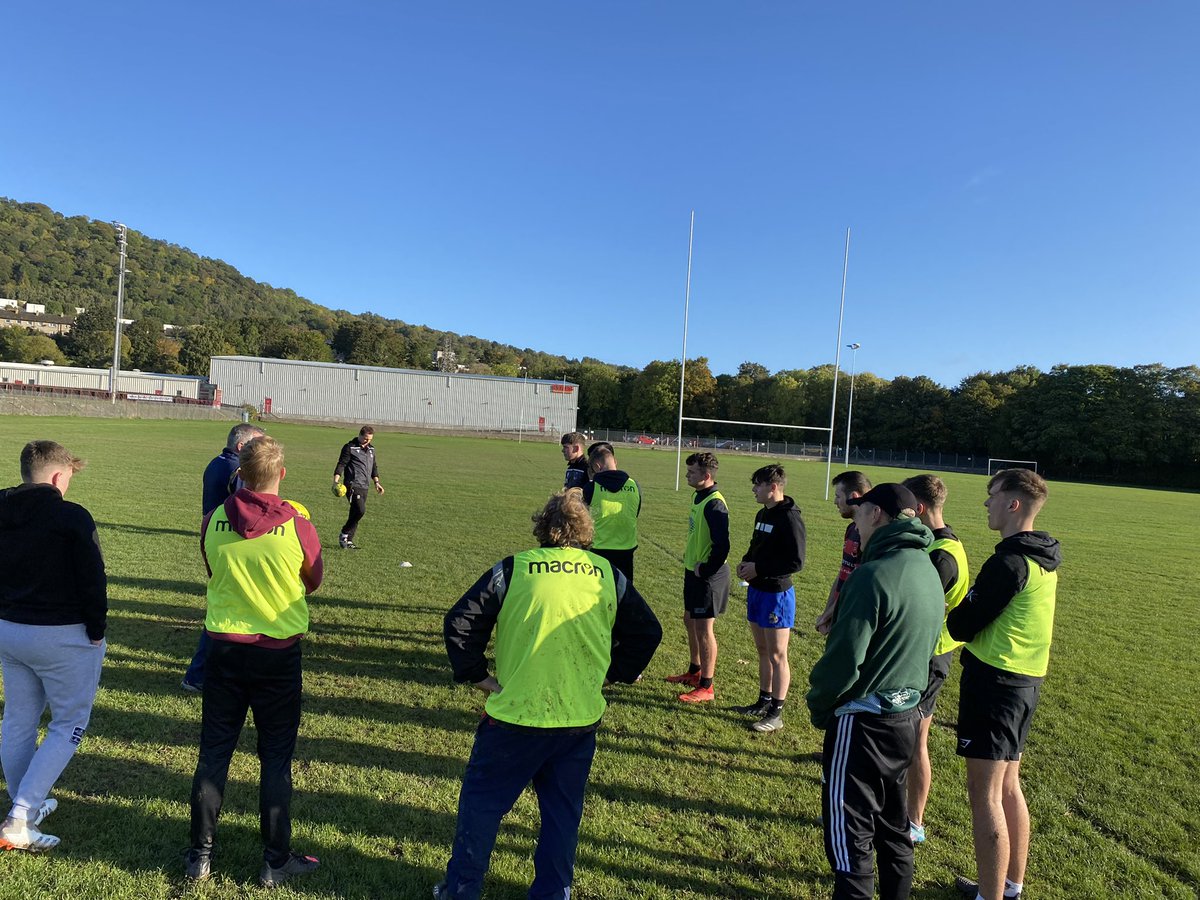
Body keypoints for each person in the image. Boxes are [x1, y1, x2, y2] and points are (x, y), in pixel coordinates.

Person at [436, 489, 662, 900]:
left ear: (543, 527)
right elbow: (649, 631)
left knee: (482, 809)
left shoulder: (515, 568)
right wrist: (613, 675)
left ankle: (461, 890)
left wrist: (479, 677)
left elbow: (459, 623)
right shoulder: (608, 574)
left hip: (514, 719)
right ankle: (553, 892)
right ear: (586, 532)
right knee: (561, 816)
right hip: (578, 721)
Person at [186, 435, 325, 888]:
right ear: (282, 475)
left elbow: (213, 568)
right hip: (276, 655)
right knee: (275, 760)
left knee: (214, 753)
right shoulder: (299, 524)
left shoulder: (213, 520)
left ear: (238, 473)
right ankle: (275, 860)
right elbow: (314, 578)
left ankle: (199, 857)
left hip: (224, 650)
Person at [806, 483, 944, 900]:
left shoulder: (872, 574)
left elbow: (845, 661)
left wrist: (820, 704)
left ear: (878, 515)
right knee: (893, 827)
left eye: (859, 510)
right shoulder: (927, 566)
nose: (854, 519)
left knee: (850, 840)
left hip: (862, 722)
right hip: (906, 717)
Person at [946, 469, 1060, 900]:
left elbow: (962, 623)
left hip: (996, 685)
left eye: (991, 495)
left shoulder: (1009, 563)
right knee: (1009, 787)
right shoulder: (1042, 556)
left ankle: (990, 897)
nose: (986, 503)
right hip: (1024, 682)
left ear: (1013, 504)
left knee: (986, 796)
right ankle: (1009, 886)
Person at [0, 441, 106, 852]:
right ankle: (19, 816)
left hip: (10, 629)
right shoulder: (71, 516)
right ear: (59, 477)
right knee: (68, 724)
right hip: (63, 634)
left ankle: (24, 805)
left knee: (19, 720)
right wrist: (96, 629)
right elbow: (92, 578)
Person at [901, 474, 970, 845]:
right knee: (904, 738)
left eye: (906, 504)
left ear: (921, 508)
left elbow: (916, 607)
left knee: (916, 742)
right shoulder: (936, 543)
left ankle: (914, 822)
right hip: (918, 654)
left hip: (929, 657)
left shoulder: (942, 556)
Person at [182, 422, 266, 693]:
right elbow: (245, 514)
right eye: (257, 445)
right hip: (229, 544)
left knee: (224, 608)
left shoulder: (217, 462)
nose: (260, 452)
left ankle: (209, 673)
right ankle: (197, 676)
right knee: (224, 612)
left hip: (215, 540)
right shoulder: (235, 470)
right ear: (241, 447)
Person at [732, 464, 806, 733]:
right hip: (756, 590)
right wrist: (746, 562)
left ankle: (776, 713)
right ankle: (762, 701)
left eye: (758, 485)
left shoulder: (790, 518)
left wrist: (759, 568)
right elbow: (757, 546)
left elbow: (796, 561)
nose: (754, 489)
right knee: (762, 651)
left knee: (777, 655)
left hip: (776, 594)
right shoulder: (763, 513)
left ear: (773, 487)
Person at [666, 452, 730, 704]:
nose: (686, 475)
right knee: (689, 619)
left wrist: (707, 569)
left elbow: (723, 545)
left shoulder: (715, 504)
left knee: (705, 629)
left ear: (706, 476)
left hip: (708, 577)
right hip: (693, 570)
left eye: (691, 472)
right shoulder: (698, 496)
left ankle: (707, 686)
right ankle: (694, 671)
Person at [815, 470, 872, 635]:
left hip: (853, 616)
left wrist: (831, 613)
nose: (835, 501)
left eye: (838, 496)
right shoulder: (851, 529)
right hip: (839, 612)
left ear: (853, 496)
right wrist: (828, 611)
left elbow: (858, 584)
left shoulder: (868, 536)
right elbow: (843, 574)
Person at [581, 441, 641, 582]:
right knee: (623, 593)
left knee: (598, 592)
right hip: (627, 549)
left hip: (599, 548)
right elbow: (634, 512)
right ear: (615, 462)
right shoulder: (634, 485)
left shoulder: (591, 487)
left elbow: (583, 519)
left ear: (597, 466)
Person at [332, 425, 384, 549]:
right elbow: (341, 464)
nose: (367, 442)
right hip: (352, 484)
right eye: (365, 439)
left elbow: (374, 467)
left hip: (365, 485)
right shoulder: (350, 447)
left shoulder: (371, 449)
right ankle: (344, 532)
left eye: (370, 439)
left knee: (355, 512)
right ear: (360, 435)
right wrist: (336, 481)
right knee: (360, 510)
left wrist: (376, 482)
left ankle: (348, 541)